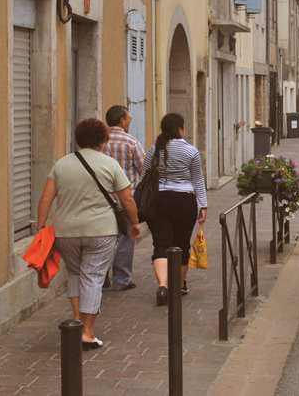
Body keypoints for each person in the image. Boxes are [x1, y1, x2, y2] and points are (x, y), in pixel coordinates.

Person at [36, 118, 140, 350]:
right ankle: (87, 332)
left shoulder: (61, 164)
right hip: (100, 231)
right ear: (103, 140)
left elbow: (46, 197)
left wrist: (42, 227)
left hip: (66, 232)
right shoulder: (110, 164)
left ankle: (78, 323)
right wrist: (134, 222)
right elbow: (127, 198)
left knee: (75, 274)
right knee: (93, 276)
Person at [143, 113, 207, 306]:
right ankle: (178, 287)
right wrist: (203, 204)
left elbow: (144, 177)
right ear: (180, 129)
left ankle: (163, 286)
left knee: (160, 244)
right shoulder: (191, 151)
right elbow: (197, 180)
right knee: (181, 244)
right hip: (184, 200)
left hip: (159, 200)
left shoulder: (154, 150)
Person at [103, 105, 147, 292]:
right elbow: (143, 170)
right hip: (125, 198)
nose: (130, 121)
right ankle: (121, 280)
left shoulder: (99, 142)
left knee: (104, 239)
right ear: (121, 120)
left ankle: (101, 276)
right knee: (125, 238)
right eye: (128, 118)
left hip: (103, 199)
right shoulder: (131, 142)